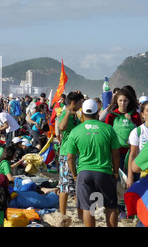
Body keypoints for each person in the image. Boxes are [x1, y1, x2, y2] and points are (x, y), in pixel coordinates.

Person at [67, 99, 120, 227]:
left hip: (84, 173)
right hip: (105, 172)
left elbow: (70, 157)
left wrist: (75, 175)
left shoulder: (75, 131)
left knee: (88, 208)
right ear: (97, 112)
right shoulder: (108, 129)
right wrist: (115, 172)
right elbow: (116, 155)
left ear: (82, 112)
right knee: (111, 207)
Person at [57, 90, 84, 216]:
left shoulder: (75, 115)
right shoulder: (65, 114)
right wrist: (68, 112)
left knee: (78, 185)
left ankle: (79, 214)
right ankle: (62, 214)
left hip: (76, 154)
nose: (81, 104)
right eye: (79, 102)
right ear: (73, 103)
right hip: (66, 154)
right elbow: (61, 128)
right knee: (65, 186)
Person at [105, 88, 141, 174]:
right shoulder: (111, 116)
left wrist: (131, 121)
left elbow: (140, 131)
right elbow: (106, 134)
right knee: (118, 175)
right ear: (116, 101)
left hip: (132, 152)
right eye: (120, 100)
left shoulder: (135, 115)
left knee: (133, 175)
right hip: (116, 152)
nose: (122, 103)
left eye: (125, 101)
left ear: (129, 101)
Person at [127, 100, 148, 188]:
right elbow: (132, 155)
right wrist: (130, 176)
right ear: (142, 114)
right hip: (143, 175)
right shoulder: (137, 132)